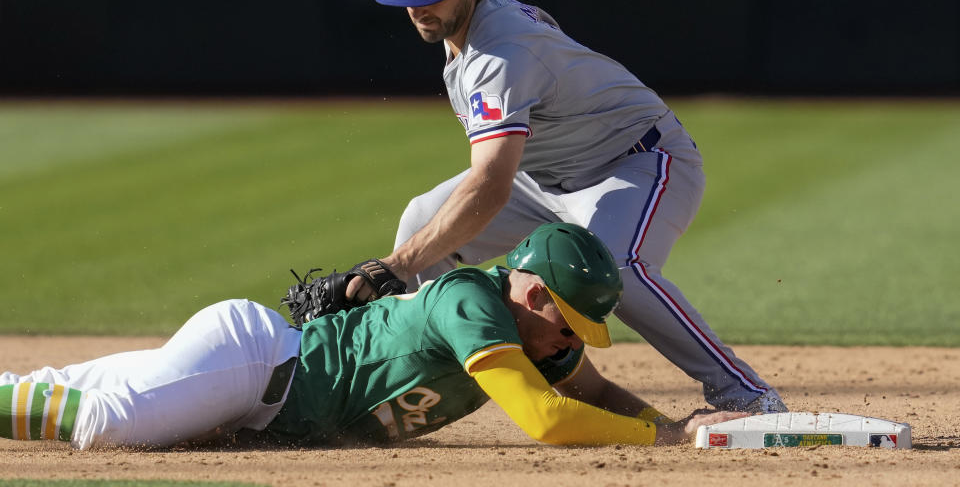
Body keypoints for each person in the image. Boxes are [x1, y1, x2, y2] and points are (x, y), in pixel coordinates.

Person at [371, 0, 786, 413]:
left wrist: (392, 267)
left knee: (618, 267)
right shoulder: (471, 21)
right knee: (422, 219)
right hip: (546, 177)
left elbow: (489, 186)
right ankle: (417, 383)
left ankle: (745, 394)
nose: (417, 9)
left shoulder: (499, 53)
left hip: (638, 162)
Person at [0, 223, 745, 450]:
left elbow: (593, 391)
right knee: (106, 422)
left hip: (259, 399)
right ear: (536, 293)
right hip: (255, 364)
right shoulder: (470, 300)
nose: (569, 345)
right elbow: (548, 420)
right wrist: (669, 444)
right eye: (567, 325)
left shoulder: (537, 336)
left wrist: (674, 422)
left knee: (95, 389)